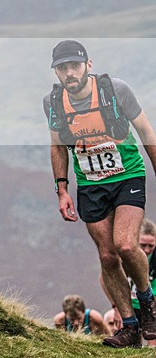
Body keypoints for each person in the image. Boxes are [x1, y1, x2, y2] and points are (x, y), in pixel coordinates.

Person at [46, 39, 156, 347]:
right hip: (91, 184)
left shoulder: (115, 90)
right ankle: (130, 326)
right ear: (56, 73)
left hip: (127, 175)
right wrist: (62, 189)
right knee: (107, 257)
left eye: (74, 66)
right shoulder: (54, 103)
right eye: (63, 68)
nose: (70, 73)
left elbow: (146, 132)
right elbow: (57, 146)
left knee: (125, 245)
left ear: (88, 66)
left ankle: (146, 302)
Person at [104, 218, 156, 346]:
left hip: (150, 306)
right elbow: (105, 278)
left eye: (151, 245)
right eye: (143, 245)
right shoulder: (123, 253)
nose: (147, 250)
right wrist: (116, 307)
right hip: (129, 306)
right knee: (131, 345)